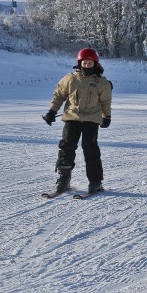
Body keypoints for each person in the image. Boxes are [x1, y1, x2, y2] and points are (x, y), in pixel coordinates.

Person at [42, 48, 112, 194]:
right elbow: (59, 95)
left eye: (90, 63)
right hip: (72, 118)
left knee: (90, 148)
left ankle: (95, 182)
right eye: (84, 63)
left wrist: (107, 116)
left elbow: (106, 102)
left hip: (92, 119)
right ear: (79, 63)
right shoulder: (70, 79)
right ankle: (64, 179)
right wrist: (52, 112)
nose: (87, 66)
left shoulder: (101, 82)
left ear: (95, 64)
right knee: (66, 147)